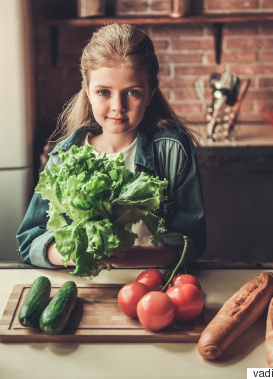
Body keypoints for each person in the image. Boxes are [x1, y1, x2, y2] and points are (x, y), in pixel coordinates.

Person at [16, 23, 206, 269]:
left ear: (150, 94)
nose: (118, 106)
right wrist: (71, 254)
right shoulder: (64, 156)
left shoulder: (173, 150)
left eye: (132, 92)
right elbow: (29, 240)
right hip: (86, 288)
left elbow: (191, 241)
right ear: (87, 92)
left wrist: (130, 258)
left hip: (152, 287)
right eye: (104, 91)